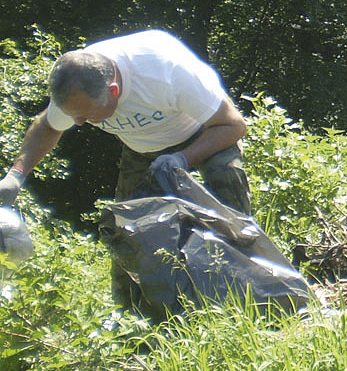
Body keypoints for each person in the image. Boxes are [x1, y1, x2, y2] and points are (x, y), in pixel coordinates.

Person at [0, 29, 252, 304]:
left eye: (87, 114)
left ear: (114, 91)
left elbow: (234, 125)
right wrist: (16, 175)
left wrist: (182, 158)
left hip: (206, 134)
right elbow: (47, 126)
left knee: (231, 214)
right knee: (126, 231)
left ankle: (249, 293)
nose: (81, 123)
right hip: (142, 148)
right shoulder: (76, 86)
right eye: (76, 116)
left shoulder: (166, 72)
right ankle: (129, 317)